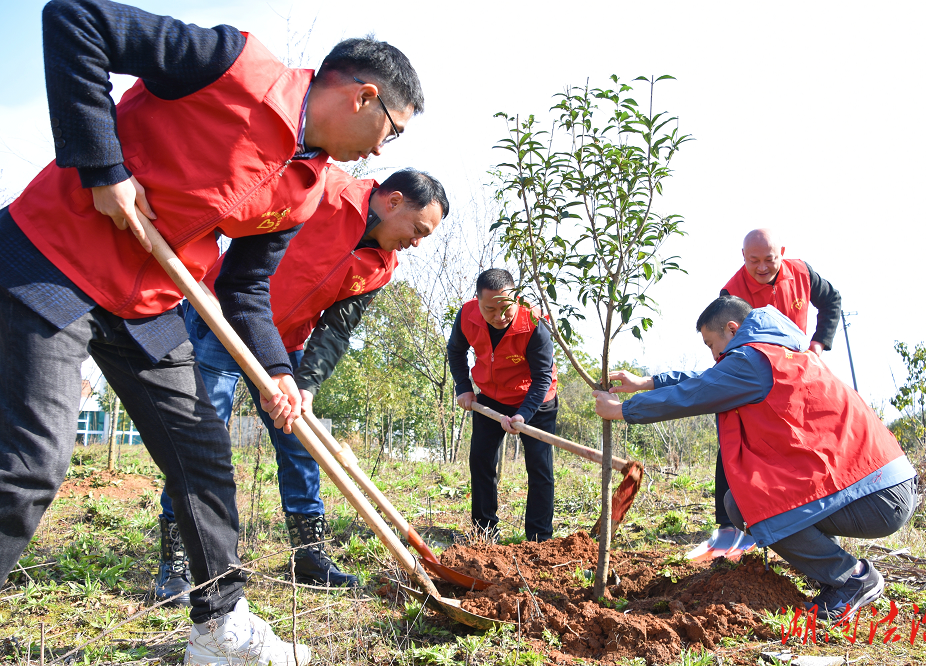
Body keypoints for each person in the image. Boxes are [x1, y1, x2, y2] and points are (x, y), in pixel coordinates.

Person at [0, 0, 422, 664]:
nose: (382, 151)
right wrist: (102, 165)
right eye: (391, 130)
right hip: (54, 259)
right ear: (365, 97)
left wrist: (281, 373)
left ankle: (219, 628)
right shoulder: (233, 67)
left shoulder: (308, 190)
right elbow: (74, 19)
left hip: (146, 300)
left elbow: (245, 291)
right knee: (30, 467)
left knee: (201, 457)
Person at [156, 168, 448, 603]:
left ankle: (308, 556)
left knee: (300, 444)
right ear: (393, 201)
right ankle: (176, 563)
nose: (418, 243)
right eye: (418, 229)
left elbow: (335, 331)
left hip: (283, 347)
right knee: (202, 438)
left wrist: (305, 384)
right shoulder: (325, 189)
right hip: (219, 317)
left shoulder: (381, 268)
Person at [593, 297, 917, 620]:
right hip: (882, 485)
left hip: (875, 496)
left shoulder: (753, 361)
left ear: (732, 329)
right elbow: (710, 381)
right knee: (741, 502)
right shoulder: (778, 353)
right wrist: (647, 383)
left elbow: (695, 393)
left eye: (711, 344)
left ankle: (852, 578)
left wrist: (623, 410)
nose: (713, 355)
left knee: (750, 507)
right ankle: (833, 574)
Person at [701, 228, 843, 559]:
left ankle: (814, 520)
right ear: (743, 257)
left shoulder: (803, 273)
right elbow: (723, 344)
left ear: (782, 251)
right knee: (736, 443)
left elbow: (832, 300)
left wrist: (818, 345)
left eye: (769, 259)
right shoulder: (732, 291)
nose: (762, 267)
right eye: (754, 261)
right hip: (754, 377)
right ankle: (729, 529)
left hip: (798, 375)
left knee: (805, 446)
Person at [448, 269, 559, 542]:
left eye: (505, 308)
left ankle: (539, 539)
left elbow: (542, 377)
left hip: (535, 400)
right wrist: (464, 388)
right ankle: (485, 533)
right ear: (477, 302)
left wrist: (524, 414)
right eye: (490, 309)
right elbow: (455, 350)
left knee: (539, 468)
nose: (498, 316)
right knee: (481, 461)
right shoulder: (466, 315)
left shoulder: (534, 322)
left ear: (516, 299)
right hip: (491, 397)